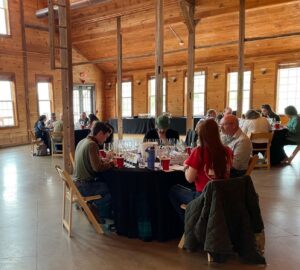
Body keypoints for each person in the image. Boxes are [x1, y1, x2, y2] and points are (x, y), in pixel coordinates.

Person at [169, 119, 233, 221]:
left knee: (174, 190)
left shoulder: (199, 151)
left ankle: (187, 223)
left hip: (203, 198)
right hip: (222, 196)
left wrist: (186, 167)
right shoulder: (228, 151)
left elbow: (189, 179)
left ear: (201, 135)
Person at [73, 121, 115, 222]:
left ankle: (94, 207)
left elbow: (90, 161)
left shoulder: (83, 141)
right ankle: (94, 209)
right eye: (105, 137)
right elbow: (97, 168)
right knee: (113, 189)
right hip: (85, 186)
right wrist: (112, 164)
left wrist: (102, 160)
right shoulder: (92, 145)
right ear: (100, 133)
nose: (105, 140)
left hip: (76, 183)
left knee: (106, 184)